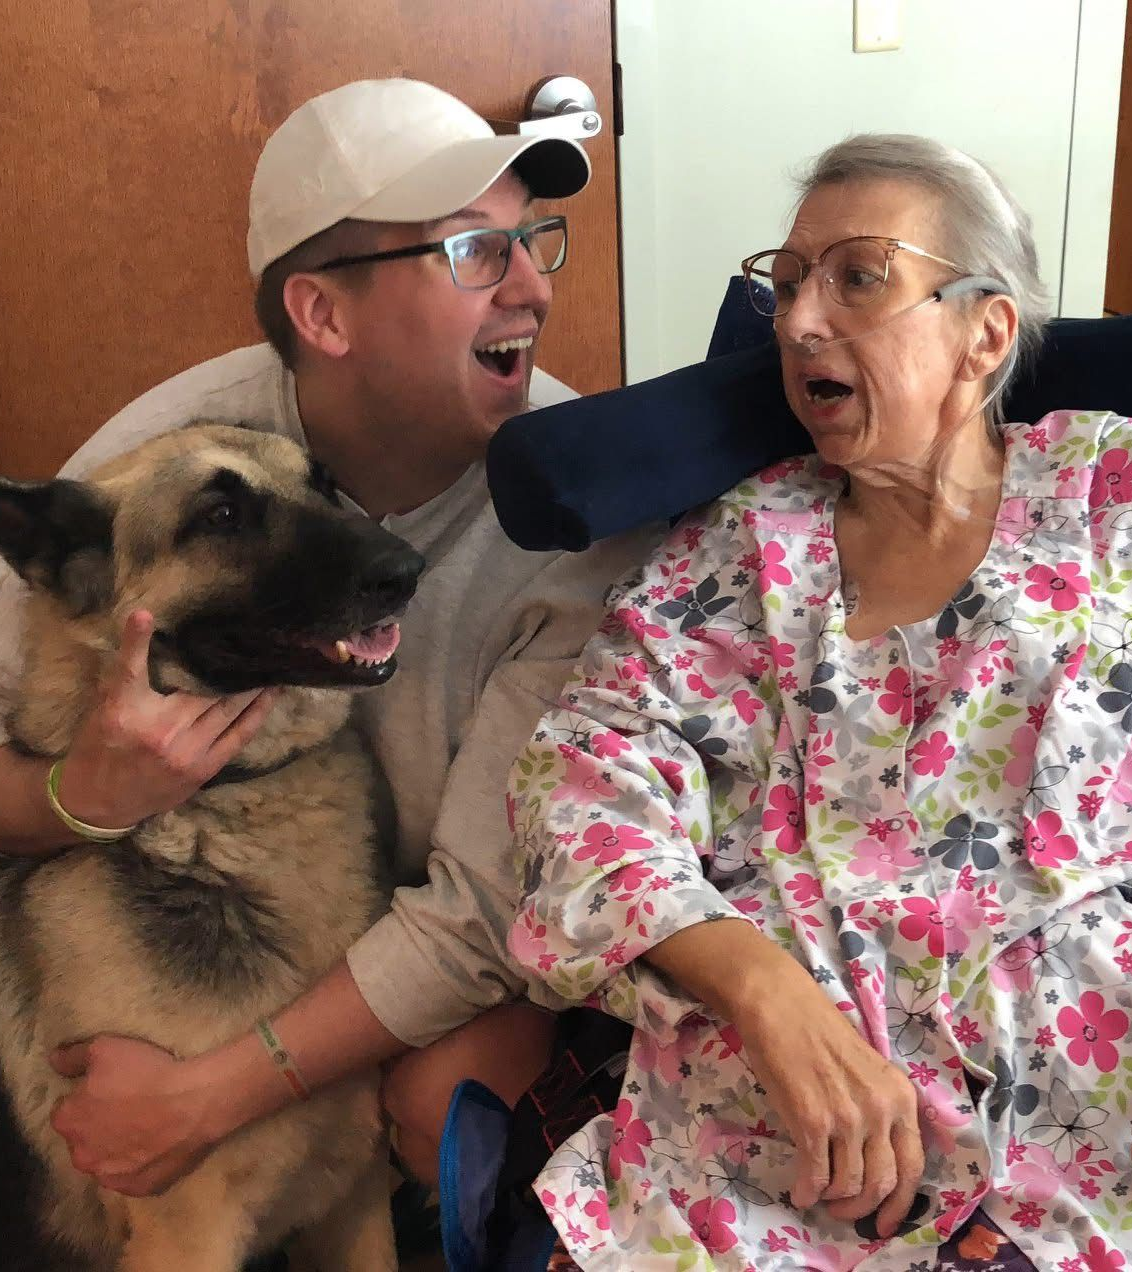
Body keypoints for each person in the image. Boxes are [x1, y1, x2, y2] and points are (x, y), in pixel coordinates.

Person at [506, 134, 1132, 1270]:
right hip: (777, 1146)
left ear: (985, 332)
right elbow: (579, 791)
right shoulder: (740, 548)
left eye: (857, 277)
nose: (800, 321)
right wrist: (763, 991)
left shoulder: (1130, 493)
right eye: (787, 284)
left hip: (1112, 1124)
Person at [2, 77, 648, 1199]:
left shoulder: (577, 511)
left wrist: (206, 1099)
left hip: (455, 931)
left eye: (535, 242)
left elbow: (492, 907)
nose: (535, 289)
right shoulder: (159, 463)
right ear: (323, 314)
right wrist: (77, 797)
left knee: (441, 1090)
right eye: (474, 254)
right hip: (211, 916)